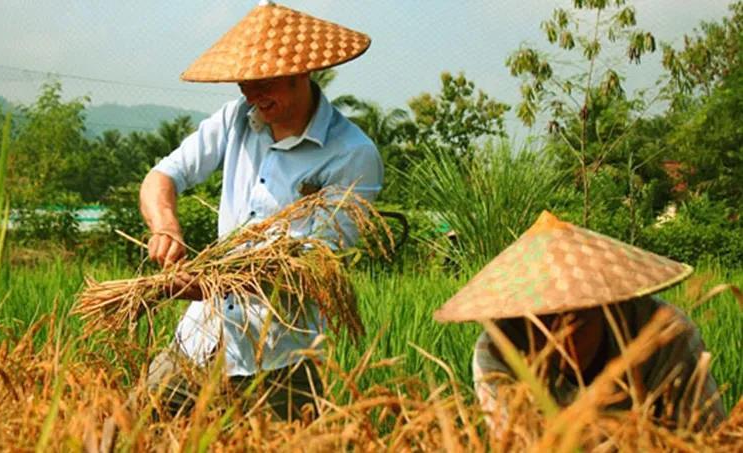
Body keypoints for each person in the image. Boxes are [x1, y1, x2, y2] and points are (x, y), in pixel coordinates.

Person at [134, 0, 381, 424]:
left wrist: (207, 284)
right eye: (243, 82)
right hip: (200, 340)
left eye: (263, 81)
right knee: (130, 430)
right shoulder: (236, 120)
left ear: (302, 70)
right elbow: (162, 176)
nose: (250, 94)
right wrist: (165, 226)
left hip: (281, 359)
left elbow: (310, 269)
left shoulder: (352, 155)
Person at [433, 211, 726, 436]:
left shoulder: (664, 335)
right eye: (542, 324)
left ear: (606, 306)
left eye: (576, 322)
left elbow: (708, 438)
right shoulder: (499, 353)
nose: (561, 341)